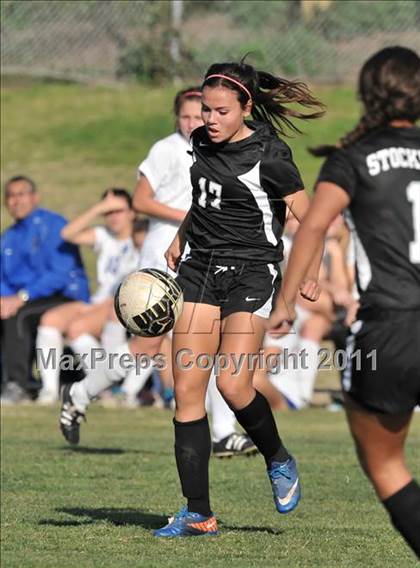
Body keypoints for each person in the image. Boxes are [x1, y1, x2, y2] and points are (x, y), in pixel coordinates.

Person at [153, 59, 324, 537]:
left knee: (232, 384)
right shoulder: (201, 142)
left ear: (246, 107)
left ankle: (278, 457)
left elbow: (309, 223)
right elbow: (206, 195)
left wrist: (307, 273)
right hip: (200, 269)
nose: (209, 119)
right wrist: (182, 234)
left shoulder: (270, 153)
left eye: (221, 111)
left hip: (251, 270)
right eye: (205, 109)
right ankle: (198, 513)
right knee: (187, 390)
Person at [268, 47, 420, 558]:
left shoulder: (354, 157)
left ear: (366, 94)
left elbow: (312, 226)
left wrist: (286, 303)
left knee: (386, 463)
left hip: (390, 327)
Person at [59, 87, 256, 457]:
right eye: (185, 116)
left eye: (199, 115)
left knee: (211, 342)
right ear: (176, 117)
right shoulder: (166, 150)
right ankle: (80, 392)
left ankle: (223, 432)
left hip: (201, 258)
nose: (193, 122)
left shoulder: (217, 149)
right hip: (162, 259)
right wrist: (190, 220)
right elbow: (140, 201)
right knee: (146, 347)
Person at [36, 189, 139, 403]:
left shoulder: (142, 237)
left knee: (76, 329)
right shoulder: (104, 236)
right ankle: (49, 391)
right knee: (49, 320)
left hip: (124, 304)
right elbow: (67, 234)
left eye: (118, 210)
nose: (113, 216)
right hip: (98, 301)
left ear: (132, 212)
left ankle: (106, 385)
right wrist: (98, 209)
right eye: (108, 212)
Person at [0, 175, 89, 404]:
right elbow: (4, 278)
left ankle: (18, 385)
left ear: (34, 197)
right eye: (10, 196)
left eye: (21, 194)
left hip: (63, 297)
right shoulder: (8, 237)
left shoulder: (53, 225)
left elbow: (59, 274)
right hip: (24, 298)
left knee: (18, 316)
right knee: (8, 310)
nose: (15, 201)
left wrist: (20, 297)